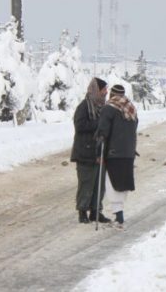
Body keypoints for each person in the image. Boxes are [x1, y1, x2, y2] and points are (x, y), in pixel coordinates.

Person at [96, 84, 139, 230]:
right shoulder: (131, 108)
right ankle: (119, 216)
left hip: (114, 153)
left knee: (112, 183)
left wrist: (99, 148)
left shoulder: (109, 108)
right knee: (122, 184)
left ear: (112, 95)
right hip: (128, 153)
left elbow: (103, 131)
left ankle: (119, 217)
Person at [70, 78, 111, 224]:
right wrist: (98, 124)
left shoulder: (104, 107)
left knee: (98, 184)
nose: (106, 92)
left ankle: (96, 211)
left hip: (100, 152)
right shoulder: (84, 106)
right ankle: (82, 212)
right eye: (103, 90)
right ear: (96, 90)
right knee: (86, 183)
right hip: (85, 152)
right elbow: (79, 126)